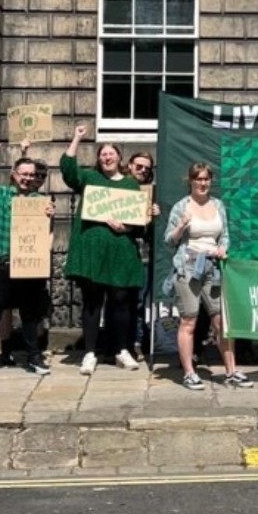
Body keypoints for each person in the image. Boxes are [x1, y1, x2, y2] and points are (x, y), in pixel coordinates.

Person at [61, 124, 146, 376]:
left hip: (120, 252)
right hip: (92, 250)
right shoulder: (89, 179)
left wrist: (126, 228)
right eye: (102, 154)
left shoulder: (131, 185)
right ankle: (89, 352)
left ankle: (121, 349)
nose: (106, 157)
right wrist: (77, 137)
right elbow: (67, 170)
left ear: (120, 158)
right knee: (91, 302)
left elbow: (139, 225)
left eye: (111, 154)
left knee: (120, 302)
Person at [0, 143, 57, 378]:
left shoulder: (41, 200)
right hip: (2, 265)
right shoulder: (2, 193)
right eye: (23, 174)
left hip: (27, 265)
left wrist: (50, 216)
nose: (27, 178)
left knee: (29, 315)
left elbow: (47, 232)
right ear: (14, 175)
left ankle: (34, 357)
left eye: (32, 175)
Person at [165, 161, 248, 390]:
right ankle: (189, 373)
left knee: (222, 321)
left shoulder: (218, 205)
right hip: (188, 267)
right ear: (190, 181)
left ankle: (231, 371)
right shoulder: (182, 207)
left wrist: (223, 247)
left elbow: (225, 235)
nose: (202, 183)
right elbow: (169, 240)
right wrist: (181, 226)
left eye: (206, 179)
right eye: (198, 179)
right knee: (189, 320)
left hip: (212, 266)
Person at [126, 150, 158, 362]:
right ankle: (118, 343)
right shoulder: (118, 187)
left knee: (139, 301)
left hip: (143, 254)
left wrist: (154, 215)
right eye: (139, 166)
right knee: (118, 301)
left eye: (147, 168)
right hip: (121, 252)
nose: (143, 171)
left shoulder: (151, 192)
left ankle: (136, 343)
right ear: (129, 165)